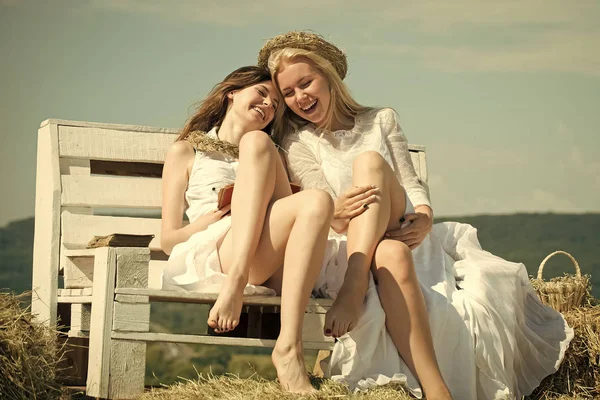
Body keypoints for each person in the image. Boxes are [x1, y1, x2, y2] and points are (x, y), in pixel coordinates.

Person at [258, 31, 574, 400]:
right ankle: (437, 389)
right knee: (389, 254)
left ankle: (356, 284)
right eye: (290, 93)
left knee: (371, 163)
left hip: (398, 226)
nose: (300, 98)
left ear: (329, 77)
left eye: (305, 83)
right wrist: (336, 211)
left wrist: (424, 213)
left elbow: (409, 180)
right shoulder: (300, 143)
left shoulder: (380, 120)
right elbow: (328, 209)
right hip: (351, 240)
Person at [160, 66, 334, 393]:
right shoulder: (187, 151)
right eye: (262, 94)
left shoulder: (272, 152)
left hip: (271, 259)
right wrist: (200, 224)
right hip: (222, 253)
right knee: (257, 142)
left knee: (318, 201)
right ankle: (237, 284)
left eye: (275, 105)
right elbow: (168, 239)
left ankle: (289, 347)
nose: (269, 105)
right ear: (232, 92)